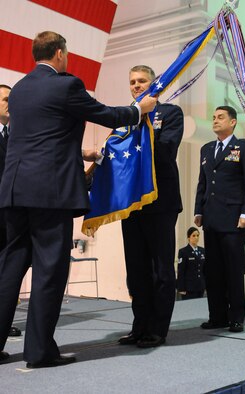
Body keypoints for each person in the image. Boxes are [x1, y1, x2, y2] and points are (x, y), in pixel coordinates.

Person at [0, 31, 157, 367]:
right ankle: (40, 352)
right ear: (59, 53)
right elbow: (107, 115)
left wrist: (77, 150)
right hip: (50, 193)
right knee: (49, 270)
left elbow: (40, 137)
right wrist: (137, 110)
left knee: (10, 268)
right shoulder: (66, 85)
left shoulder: (20, 89)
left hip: (14, 190)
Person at [119, 65, 184, 348]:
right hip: (131, 204)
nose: (136, 85)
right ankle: (139, 326)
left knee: (160, 269)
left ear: (154, 83)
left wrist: (142, 124)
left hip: (160, 201)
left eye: (141, 81)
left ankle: (157, 329)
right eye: (132, 81)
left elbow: (166, 150)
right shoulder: (124, 118)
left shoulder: (170, 113)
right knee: (136, 269)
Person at [194, 105, 245, 333]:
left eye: (220, 117)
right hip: (211, 219)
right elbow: (202, 184)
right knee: (213, 271)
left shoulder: (244, 147)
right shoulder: (206, 149)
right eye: (213, 117)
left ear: (232, 122)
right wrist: (198, 211)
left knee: (233, 271)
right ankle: (217, 317)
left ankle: (236, 317)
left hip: (234, 220)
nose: (215, 121)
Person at [0, 84, 22, 340]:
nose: (10, 103)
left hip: (11, 215)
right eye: (6, 99)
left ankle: (4, 321)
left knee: (6, 273)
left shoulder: (16, 134)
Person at [177, 227, 205, 300]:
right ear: (188, 237)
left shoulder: (202, 251)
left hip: (200, 287)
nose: (196, 238)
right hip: (189, 288)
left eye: (197, 235)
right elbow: (181, 270)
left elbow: (204, 269)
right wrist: (181, 288)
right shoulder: (184, 251)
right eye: (194, 235)